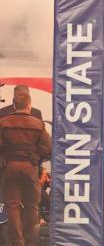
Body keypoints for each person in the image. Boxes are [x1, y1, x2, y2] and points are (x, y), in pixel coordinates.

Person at [0, 85, 51, 246]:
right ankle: (29, 241)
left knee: (12, 205)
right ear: (29, 105)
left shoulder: (3, 121)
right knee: (32, 206)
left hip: (9, 167)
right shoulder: (37, 122)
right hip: (30, 167)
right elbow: (48, 147)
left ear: (14, 104)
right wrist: (36, 158)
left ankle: (17, 242)